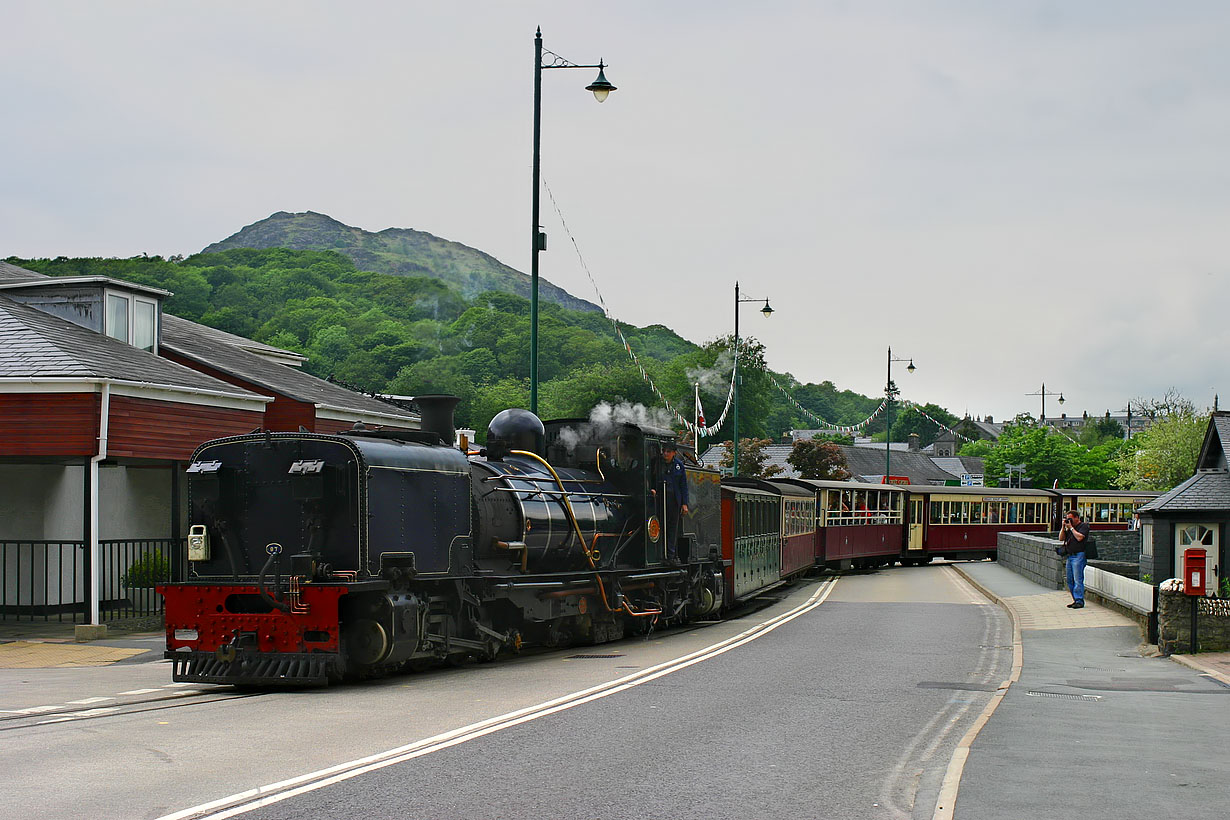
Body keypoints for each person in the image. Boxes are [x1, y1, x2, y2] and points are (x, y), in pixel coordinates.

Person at [658, 442, 690, 563]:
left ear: (674, 453)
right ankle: (661, 553)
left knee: (672, 528)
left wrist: (684, 503)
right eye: (664, 451)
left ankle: (670, 555)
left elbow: (683, 486)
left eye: (668, 452)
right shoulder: (657, 464)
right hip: (659, 500)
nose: (665, 454)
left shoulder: (679, 466)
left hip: (674, 501)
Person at [1058, 509, 1091, 609]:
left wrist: (1071, 528)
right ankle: (1075, 599)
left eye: (1071, 519)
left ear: (1077, 518)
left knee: (1078, 579)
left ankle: (1079, 600)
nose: (1069, 521)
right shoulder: (1069, 527)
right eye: (1067, 519)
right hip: (1070, 555)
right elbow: (1061, 538)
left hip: (1079, 555)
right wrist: (1063, 527)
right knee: (1070, 580)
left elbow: (1080, 537)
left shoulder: (1083, 526)